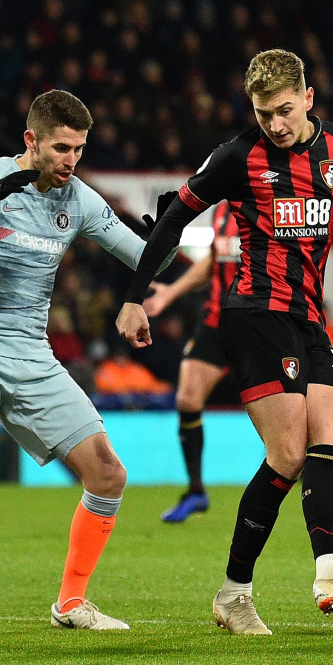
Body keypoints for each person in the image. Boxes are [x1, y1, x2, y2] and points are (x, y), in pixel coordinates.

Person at [117, 50, 333, 635]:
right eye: (264, 114)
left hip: (308, 318)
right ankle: (236, 594)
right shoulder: (237, 156)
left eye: (285, 111)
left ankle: (330, 568)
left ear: (309, 98)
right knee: (287, 454)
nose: (276, 124)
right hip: (254, 313)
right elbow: (173, 219)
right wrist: (137, 294)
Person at [0, 89, 175, 632]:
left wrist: (167, 233)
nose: (71, 160)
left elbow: (144, 260)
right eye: (62, 148)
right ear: (31, 141)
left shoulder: (81, 200)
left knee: (109, 474)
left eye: (79, 150)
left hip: (31, 352)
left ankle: (71, 603)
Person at [141, 202, 242, 523]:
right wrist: (172, 292)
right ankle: (196, 491)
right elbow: (216, 258)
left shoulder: (271, 196)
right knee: (187, 398)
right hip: (217, 320)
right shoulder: (225, 207)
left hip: (260, 321)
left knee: (277, 416)